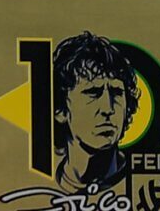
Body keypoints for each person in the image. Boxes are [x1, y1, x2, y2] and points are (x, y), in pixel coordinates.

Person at [51, 32, 138, 194]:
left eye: (117, 93)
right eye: (92, 92)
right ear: (60, 110)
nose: (108, 108)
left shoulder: (140, 183)